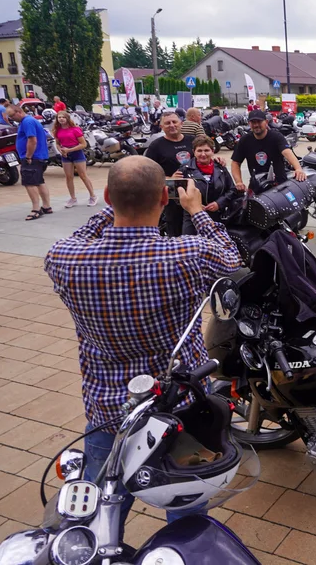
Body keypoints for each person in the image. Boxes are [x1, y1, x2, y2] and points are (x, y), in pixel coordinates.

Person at [44, 156, 242, 527]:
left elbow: (79, 237)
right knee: (185, 508)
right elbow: (231, 260)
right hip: (178, 407)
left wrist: (109, 210)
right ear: (164, 200)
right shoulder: (186, 254)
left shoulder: (66, 258)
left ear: (106, 196)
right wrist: (197, 212)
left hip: (109, 410)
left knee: (103, 509)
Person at [145, 111, 196, 235]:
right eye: (167, 123)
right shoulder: (156, 146)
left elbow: (205, 155)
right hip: (171, 194)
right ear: (161, 127)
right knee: (175, 227)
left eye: (174, 122)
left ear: (181, 124)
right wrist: (168, 178)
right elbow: (147, 172)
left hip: (194, 190)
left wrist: (216, 159)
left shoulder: (192, 140)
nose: (172, 125)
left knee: (196, 224)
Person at [231, 110, 306, 192]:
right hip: (256, 186)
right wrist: (239, 182)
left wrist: (298, 169)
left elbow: (287, 152)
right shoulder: (244, 140)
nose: (256, 125)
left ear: (266, 122)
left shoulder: (276, 136)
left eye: (259, 122)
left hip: (279, 185)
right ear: (249, 124)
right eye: (253, 122)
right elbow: (235, 162)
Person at [180, 136, 239, 235]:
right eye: (199, 151)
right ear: (194, 152)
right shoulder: (184, 170)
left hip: (217, 216)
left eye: (207, 150)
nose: (203, 154)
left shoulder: (221, 168)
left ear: (212, 151)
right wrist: (194, 205)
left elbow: (232, 190)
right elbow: (177, 195)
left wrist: (219, 203)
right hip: (192, 218)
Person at [5, 104, 53, 221]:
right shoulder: (29, 121)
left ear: (18, 112)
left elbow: (32, 140)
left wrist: (28, 156)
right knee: (39, 181)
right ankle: (46, 206)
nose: (11, 119)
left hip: (33, 157)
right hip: (39, 156)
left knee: (29, 183)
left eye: (12, 115)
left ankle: (36, 209)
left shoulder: (27, 122)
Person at [53, 109, 97, 207]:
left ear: (68, 118)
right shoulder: (57, 130)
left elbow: (83, 144)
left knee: (83, 175)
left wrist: (70, 150)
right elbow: (57, 143)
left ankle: (92, 196)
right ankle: (73, 198)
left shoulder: (75, 129)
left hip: (77, 153)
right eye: (59, 117)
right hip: (65, 156)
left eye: (63, 117)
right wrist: (61, 150)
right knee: (69, 177)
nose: (61, 119)